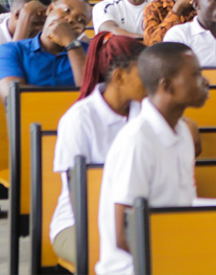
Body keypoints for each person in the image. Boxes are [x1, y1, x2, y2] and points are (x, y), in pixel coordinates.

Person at [95, 42, 209, 275]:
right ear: (166, 86)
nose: (205, 82)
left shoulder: (183, 133)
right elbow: (124, 235)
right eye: (196, 75)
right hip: (135, 266)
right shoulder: (137, 140)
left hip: (175, 254)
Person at [50, 35, 147, 265]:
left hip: (133, 218)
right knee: (134, 260)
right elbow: (79, 199)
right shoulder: (79, 119)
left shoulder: (144, 113)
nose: (152, 80)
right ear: (120, 77)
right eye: (145, 73)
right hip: (78, 224)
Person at [0, 0, 92, 102]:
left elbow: (90, 97)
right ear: (50, 9)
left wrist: (71, 43)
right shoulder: (11, 50)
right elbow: (14, 97)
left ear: (83, 30)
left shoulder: (93, 53)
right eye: (66, 10)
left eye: (80, 20)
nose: (70, 19)